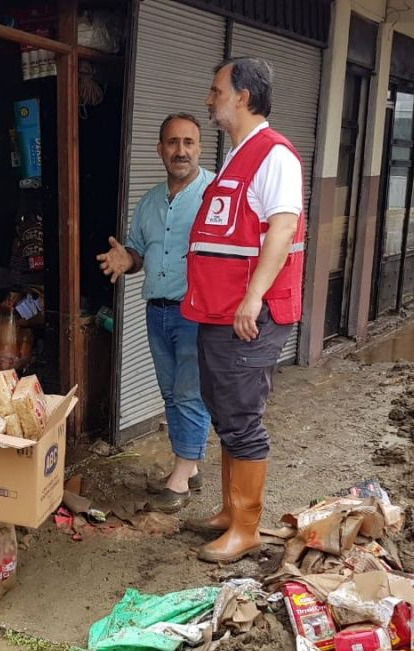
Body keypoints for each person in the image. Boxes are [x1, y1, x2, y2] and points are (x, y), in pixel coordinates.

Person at [182, 56, 305, 563]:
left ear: (244, 97)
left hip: (248, 315)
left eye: (217, 91)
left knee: (241, 416)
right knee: (224, 409)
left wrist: (253, 296)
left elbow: (282, 228)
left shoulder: (275, 156)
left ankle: (247, 527)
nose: (210, 99)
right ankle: (232, 510)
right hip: (219, 312)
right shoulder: (239, 155)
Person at [96, 113, 214, 513]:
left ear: (200, 147)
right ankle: (191, 468)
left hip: (197, 313)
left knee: (188, 392)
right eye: (172, 143)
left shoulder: (216, 194)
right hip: (158, 311)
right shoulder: (148, 202)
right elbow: (138, 254)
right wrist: (123, 259)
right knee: (170, 393)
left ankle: (180, 479)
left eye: (189, 143)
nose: (181, 151)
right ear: (160, 149)